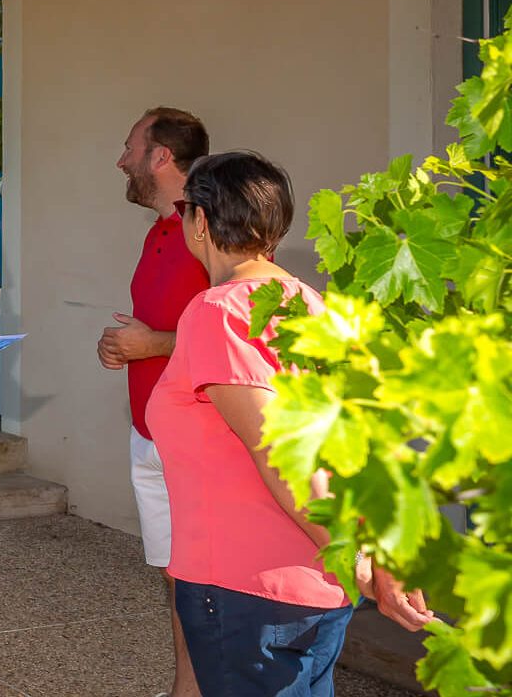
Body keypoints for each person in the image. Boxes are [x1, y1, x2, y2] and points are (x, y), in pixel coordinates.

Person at [149, 152, 434, 695]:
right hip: (316, 593)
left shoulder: (218, 311)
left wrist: (358, 562)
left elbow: (283, 454)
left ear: (202, 221)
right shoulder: (317, 309)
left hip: (244, 590)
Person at [98, 108, 211, 697]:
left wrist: (154, 343)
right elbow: (164, 327)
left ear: (161, 156)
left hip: (196, 440)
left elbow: (240, 330)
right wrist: (126, 346)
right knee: (177, 576)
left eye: (129, 147)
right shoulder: (159, 231)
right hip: (149, 433)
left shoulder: (212, 228)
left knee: (205, 578)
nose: (122, 160)